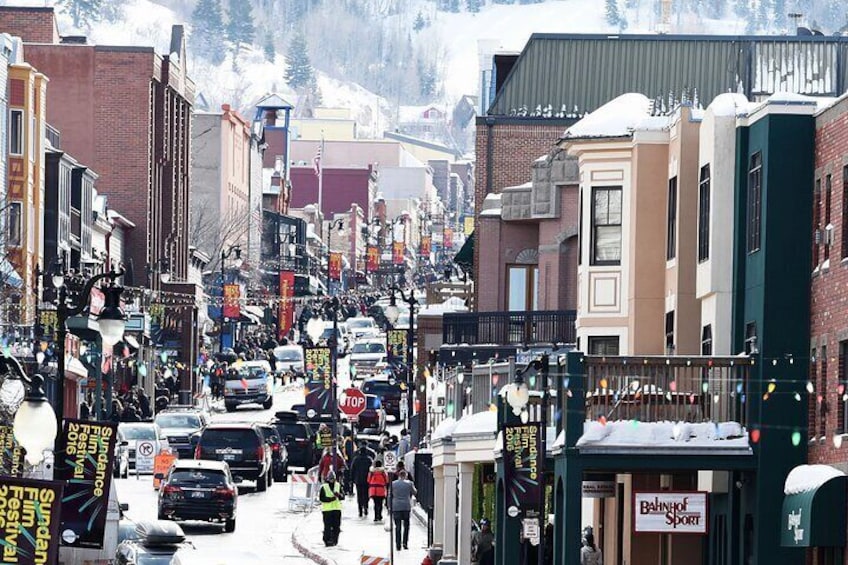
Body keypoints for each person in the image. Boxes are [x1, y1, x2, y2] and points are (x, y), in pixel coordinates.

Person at [390, 469, 417, 551]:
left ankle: (398, 544)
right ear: (406, 475)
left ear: (399, 475)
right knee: (406, 526)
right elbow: (415, 492)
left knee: (397, 526)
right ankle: (405, 543)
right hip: (406, 506)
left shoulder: (393, 484)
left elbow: (389, 495)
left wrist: (389, 506)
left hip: (396, 507)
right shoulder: (409, 483)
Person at [319, 471, 343, 547]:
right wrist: (331, 499)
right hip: (327, 510)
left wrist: (339, 495)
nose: (332, 480)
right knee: (327, 527)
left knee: (336, 527)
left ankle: (334, 540)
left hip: (337, 509)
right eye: (330, 479)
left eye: (333, 479)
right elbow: (322, 498)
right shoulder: (324, 487)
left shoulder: (338, 485)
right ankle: (327, 540)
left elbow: (343, 497)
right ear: (328, 479)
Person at [350, 445, 373, 518]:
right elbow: (371, 470)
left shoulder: (356, 459)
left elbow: (352, 469)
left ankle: (360, 510)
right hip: (367, 480)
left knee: (359, 495)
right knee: (366, 495)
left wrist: (352, 479)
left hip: (358, 480)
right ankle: (366, 507)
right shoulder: (369, 459)